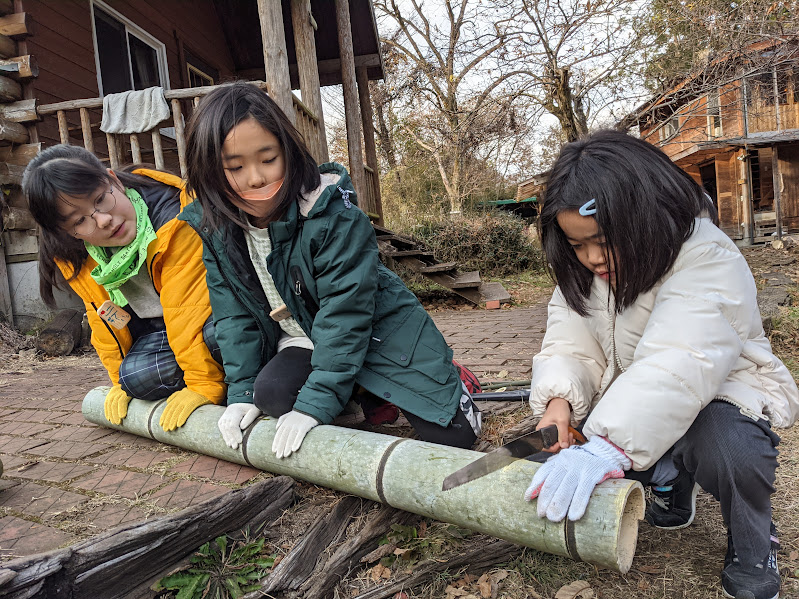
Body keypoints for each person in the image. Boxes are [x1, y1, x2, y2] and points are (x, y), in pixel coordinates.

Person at [524, 130, 799, 599]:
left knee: (727, 444)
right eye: (576, 245)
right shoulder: (588, 273)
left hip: (726, 394)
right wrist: (558, 402)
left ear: (643, 214)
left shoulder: (705, 254)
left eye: (601, 240)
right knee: (603, 432)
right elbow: (572, 345)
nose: (590, 258)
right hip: (648, 397)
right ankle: (672, 480)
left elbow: (680, 359)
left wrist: (606, 445)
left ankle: (753, 539)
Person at [181, 81, 481, 457]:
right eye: (235, 167)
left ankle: (454, 377)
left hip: (375, 332)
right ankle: (356, 390)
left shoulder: (333, 216)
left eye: (268, 159)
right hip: (304, 338)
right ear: (209, 172)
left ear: (288, 151)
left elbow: (346, 315)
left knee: (455, 436)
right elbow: (233, 316)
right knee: (271, 396)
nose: (255, 178)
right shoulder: (215, 229)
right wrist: (241, 393)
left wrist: (314, 403)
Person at [22, 145, 226, 432]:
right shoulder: (79, 254)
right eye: (80, 221)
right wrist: (119, 381)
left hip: (215, 314)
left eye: (101, 199)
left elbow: (187, 309)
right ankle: (228, 372)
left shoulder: (175, 217)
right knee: (136, 379)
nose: (102, 220)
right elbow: (102, 316)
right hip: (163, 327)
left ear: (113, 180)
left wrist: (203, 385)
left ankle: (236, 381)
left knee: (219, 338)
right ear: (68, 232)